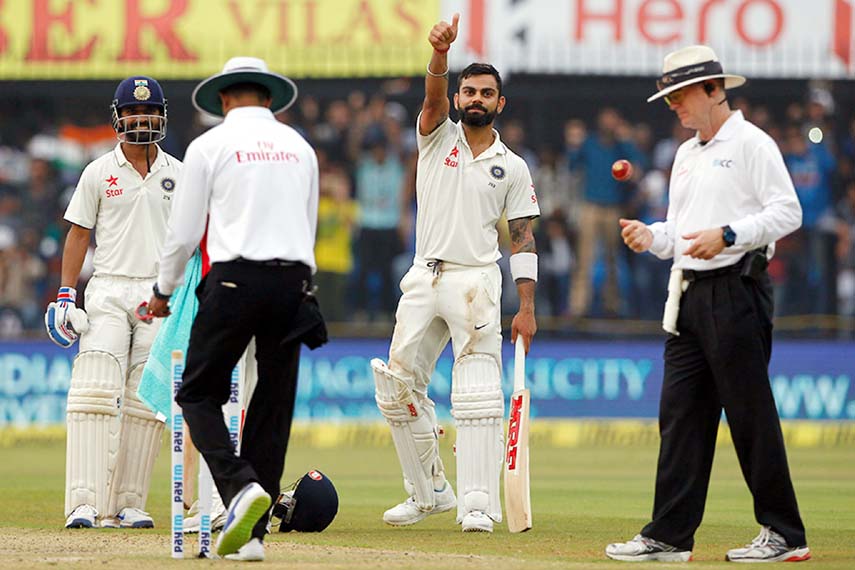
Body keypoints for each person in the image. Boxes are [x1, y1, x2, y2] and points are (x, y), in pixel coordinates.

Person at [608, 45, 809, 563]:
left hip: (736, 290)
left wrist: (730, 234)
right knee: (680, 418)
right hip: (689, 294)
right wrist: (649, 237)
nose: (673, 105)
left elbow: (788, 213)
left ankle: (785, 532)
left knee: (749, 415)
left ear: (714, 90)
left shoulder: (751, 143)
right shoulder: (686, 154)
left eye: (680, 95)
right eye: (669, 96)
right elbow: (680, 232)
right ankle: (670, 536)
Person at [146, 56, 324, 562]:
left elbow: (183, 235)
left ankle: (238, 486)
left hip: (233, 279)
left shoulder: (209, 145)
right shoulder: (301, 148)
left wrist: (162, 292)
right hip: (295, 284)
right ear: (268, 98)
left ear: (223, 100)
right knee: (272, 405)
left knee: (198, 391)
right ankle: (252, 538)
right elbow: (305, 227)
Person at [372, 13, 540, 534]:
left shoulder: (512, 166)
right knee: (395, 388)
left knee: (475, 396)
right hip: (424, 275)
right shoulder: (436, 137)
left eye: (485, 93)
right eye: (468, 90)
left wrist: (527, 309)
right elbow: (432, 100)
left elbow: (523, 240)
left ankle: (477, 503)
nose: (475, 99)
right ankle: (429, 494)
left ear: (498, 103)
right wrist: (439, 56)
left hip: (477, 280)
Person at [43, 76, 180, 529]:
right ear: (118, 117)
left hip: (158, 294)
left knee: (145, 399)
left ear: (162, 116)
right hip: (107, 287)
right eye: (134, 113)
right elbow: (78, 234)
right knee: (95, 389)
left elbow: (189, 243)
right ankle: (83, 503)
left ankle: (128, 502)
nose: (142, 120)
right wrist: (66, 293)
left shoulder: (178, 174)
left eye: (150, 112)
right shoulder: (98, 171)